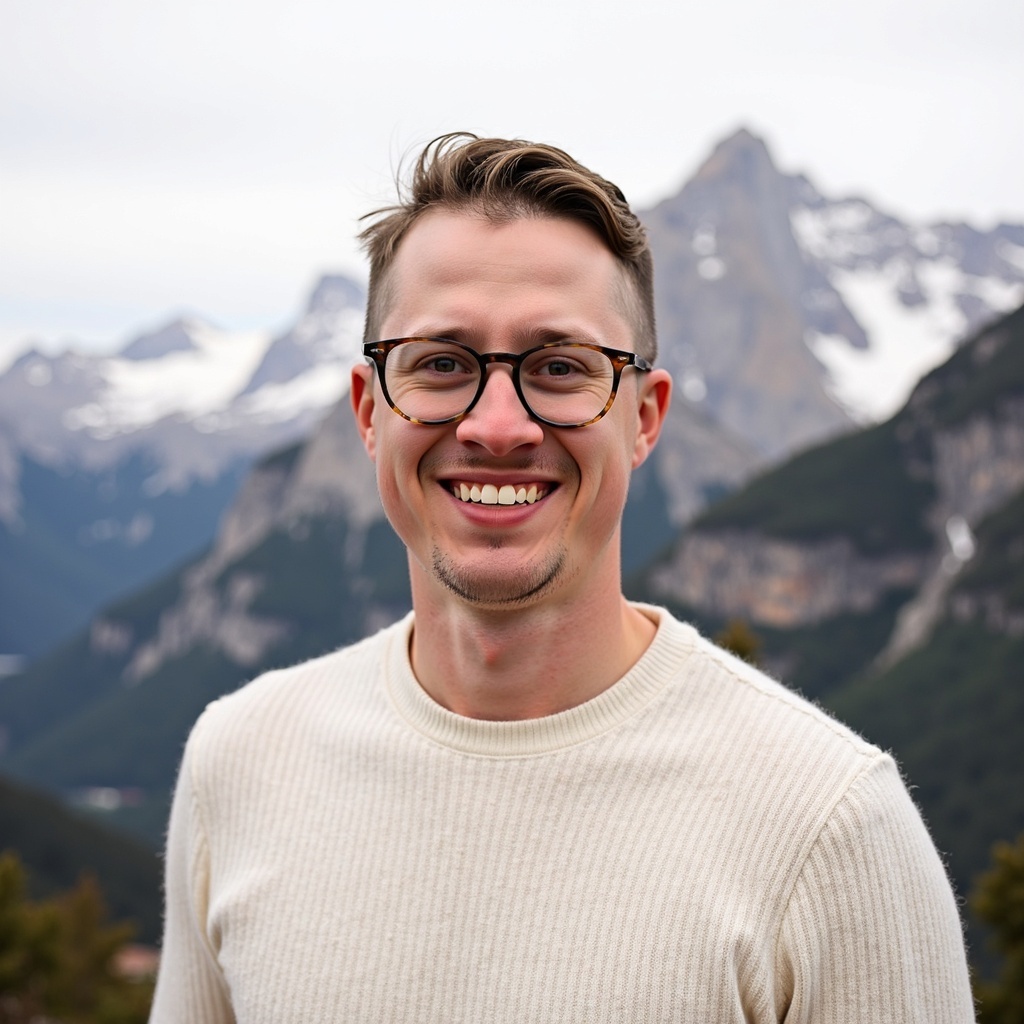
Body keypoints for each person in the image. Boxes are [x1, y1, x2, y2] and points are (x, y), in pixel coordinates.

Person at [149, 134, 975, 1023]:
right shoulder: (236, 763)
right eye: (440, 364)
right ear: (368, 410)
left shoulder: (830, 825)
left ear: (644, 418)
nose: (497, 425)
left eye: (560, 368)